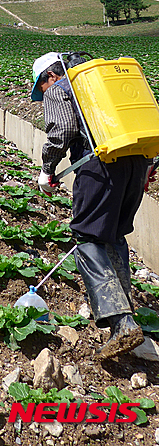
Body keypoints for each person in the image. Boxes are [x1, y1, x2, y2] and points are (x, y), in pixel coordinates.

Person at [31, 51, 150, 359]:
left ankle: (121, 323)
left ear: (51, 76)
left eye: (40, 88)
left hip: (101, 166)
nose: (43, 95)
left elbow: (63, 130)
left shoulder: (61, 88)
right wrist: (147, 167)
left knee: (87, 237)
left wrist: (46, 170)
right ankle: (127, 316)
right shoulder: (108, 83)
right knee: (115, 234)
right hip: (136, 163)